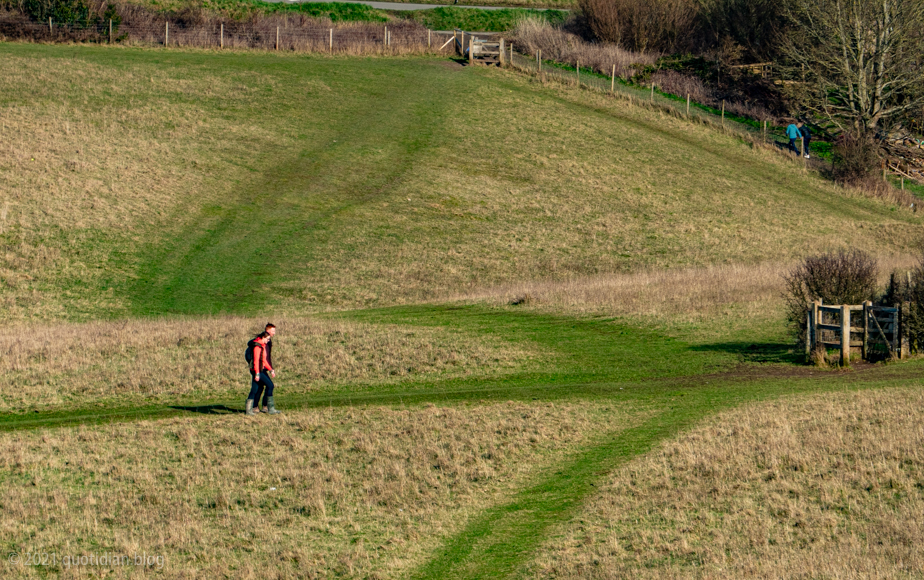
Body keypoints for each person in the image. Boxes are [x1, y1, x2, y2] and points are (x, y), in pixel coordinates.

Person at [245, 323, 280, 416]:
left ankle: (250, 410)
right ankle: (269, 408)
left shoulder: (262, 345)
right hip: (258, 370)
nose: (268, 341)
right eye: (267, 339)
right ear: (264, 337)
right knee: (270, 385)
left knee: (255, 388)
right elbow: (256, 361)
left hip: (259, 370)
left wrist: (271, 369)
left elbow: (264, 359)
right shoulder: (257, 346)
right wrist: (257, 373)